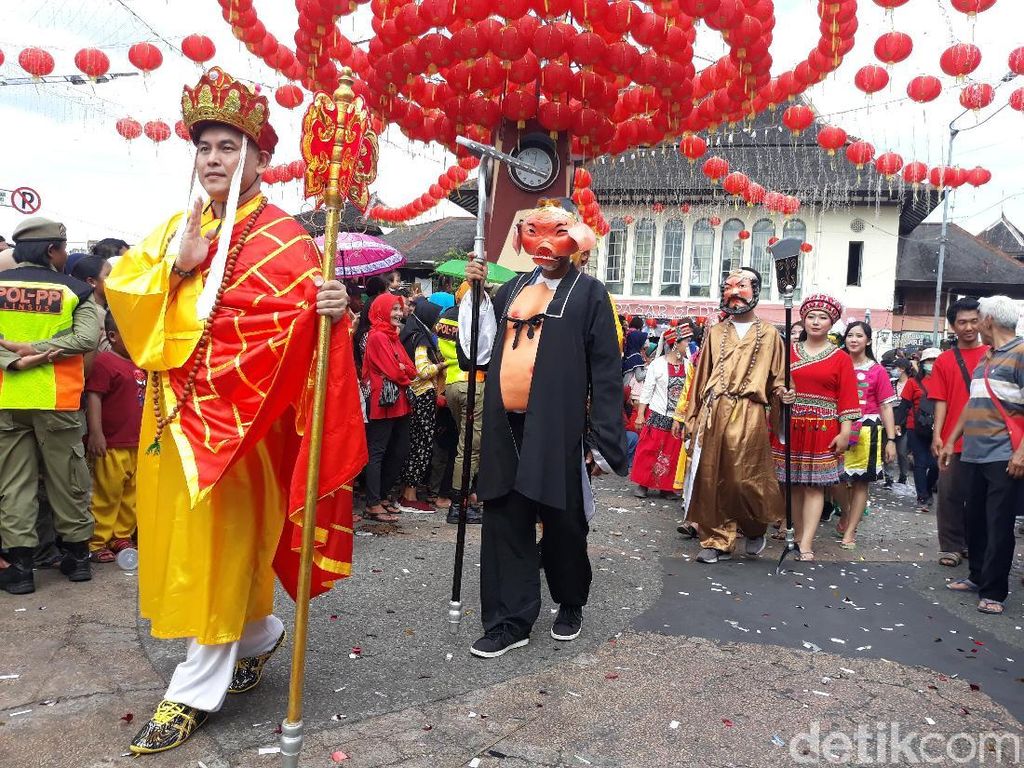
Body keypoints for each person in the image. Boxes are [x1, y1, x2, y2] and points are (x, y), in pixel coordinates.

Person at [104, 67, 365, 755]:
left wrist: (334, 315)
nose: (214, 160)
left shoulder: (287, 242)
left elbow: (297, 338)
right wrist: (178, 267)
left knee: (216, 553)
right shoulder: (177, 229)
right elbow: (126, 294)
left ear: (260, 158)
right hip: (171, 423)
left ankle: (195, 687)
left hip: (238, 433)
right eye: (206, 147)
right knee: (183, 550)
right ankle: (259, 634)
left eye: (229, 147)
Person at [463, 198, 627, 658]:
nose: (545, 244)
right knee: (504, 519)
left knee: (564, 522)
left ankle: (570, 599)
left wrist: (604, 440)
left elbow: (607, 373)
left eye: (556, 232)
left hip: (558, 430)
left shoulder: (591, 294)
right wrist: (475, 298)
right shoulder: (509, 288)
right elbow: (478, 352)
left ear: (574, 240)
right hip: (505, 426)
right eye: (535, 232)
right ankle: (508, 620)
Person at [0, 217, 102, 596]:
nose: (64, 254)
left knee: (14, 484)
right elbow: (87, 337)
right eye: (62, 247)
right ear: (50, 250)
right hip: (58, 399)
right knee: (68, 478)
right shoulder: (76, 289)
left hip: (7, 399)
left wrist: (16, 359)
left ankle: (21, 569)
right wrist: (42, 353)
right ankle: (76, 561)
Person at [676, 268, 787, 563]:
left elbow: (778, 379)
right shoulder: (714, 332)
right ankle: (716, 540)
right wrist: (692, 417)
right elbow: (701, 379)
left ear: (756, 291)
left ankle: (753, 527)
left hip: (749, 410)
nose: (734, 293)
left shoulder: (771, 334)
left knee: (744, 479)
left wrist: (783, 394)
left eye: (742, 287)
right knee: (711, 477)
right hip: (715, 409)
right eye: (728, 287)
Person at [940, 295, 1023, 616]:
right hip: (973, 452)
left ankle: (994, 591)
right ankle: (976, 575)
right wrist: (951, 441)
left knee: (999, 523)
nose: (974, 326)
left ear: (988, 321)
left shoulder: (1020, 353)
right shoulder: (987, 357)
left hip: (1003, 453)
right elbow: (974, 403)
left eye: (978, 319)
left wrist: (1021, 453)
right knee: (974, 517)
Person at [771, 294, 860, 562]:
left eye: (823, 317)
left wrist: (845, 432)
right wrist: (781, 394)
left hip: (823, 428)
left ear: (831, 323)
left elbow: (847, 398)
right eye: (811, 316)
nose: (816, 322)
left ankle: (807, 542)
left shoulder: (841, 358)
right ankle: (797, 536)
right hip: (792, 426)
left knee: (814, 487)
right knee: (793, 485)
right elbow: (775, 384)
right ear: (803, 319)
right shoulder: (788, 352)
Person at [929, 298, 989, 568]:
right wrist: (938, 435)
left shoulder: (993, 353)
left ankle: (975, 545)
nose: (969, 327)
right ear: (952, 326)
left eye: (974, 320)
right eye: (962, 322)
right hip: (954, 439)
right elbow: (940, 399)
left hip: (989, 439)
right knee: (950, 493)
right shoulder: (944, 360)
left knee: (983, 498)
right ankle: (951, 546)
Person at [85, 312, 145, 563]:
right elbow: (94, 397)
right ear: (113, 336)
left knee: (131, 494)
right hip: (111, 445)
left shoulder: (141, 364)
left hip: (136, 444)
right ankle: (97, 541)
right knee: (106, 495)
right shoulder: (104, 362)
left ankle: (121, 535)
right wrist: (96, 433)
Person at [835, 322, 898, 549]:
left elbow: (886, 406)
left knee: (861, 483)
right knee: (835, 479)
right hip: (837, 427)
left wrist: (891, 440)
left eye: (859, 336)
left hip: (866, 430)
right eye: (850, 335)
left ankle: (850, 531)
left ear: (868, 341)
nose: (853, 340)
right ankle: (847, 512)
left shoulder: (877, 370)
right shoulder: (836, 365)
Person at [362, 293, 415, 522]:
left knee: (399, 450)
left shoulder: (392, 336)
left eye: (399, 309)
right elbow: (398, 372)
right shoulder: (377, 337)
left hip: (398, 402)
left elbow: (411, 369)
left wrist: (401, 370)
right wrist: (402, 371)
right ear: (382, 311)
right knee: (378, 451)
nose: (397, 313)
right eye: (393, 309)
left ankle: (381, 497)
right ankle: (373, 503)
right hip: (383, 402)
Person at [436, 281, 485, 524]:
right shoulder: (473, 318)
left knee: (463, 443)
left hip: (452, 383)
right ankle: (460, 504)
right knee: (469, 448)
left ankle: (463, 498)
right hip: (472, 382)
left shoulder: (445, 317)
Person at [397, 298, 447, 513]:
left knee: (415, 442)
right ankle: (410, 494)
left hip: (413, 396)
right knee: (421, 445)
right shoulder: (421, 339)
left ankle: (407, 492)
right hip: (423, 395)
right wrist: (442, 365)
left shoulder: (410, 333)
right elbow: (422, 370)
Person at [630, 326, 692, 498]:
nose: (688, 344)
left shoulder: (688, 366)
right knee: (649, 450)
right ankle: (643, 484)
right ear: (675, 343)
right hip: (657, 414)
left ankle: (666, 487)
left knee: (672, 453)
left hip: (677, 418)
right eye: (686, 341)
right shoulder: (657, 365)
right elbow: (647, 391)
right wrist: (641, 415)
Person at [901, 347, 941, 511]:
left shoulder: (945, 382)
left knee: (936, 465)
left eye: (935, 361)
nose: (931, 364)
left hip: (938, 428)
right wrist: (897, 424)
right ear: (922, 363)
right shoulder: (913, 382)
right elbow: (904, 405)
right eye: (928, 361)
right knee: (921, 463)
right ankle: (922, 496)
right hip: (914, 427)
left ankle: (928, 489)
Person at [889, 358, 914, 485]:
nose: (893, 370)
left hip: (905, 422)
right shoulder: (891, 383)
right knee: (887, 448)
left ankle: (903, 476)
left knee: (902, 451)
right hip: (889, 420)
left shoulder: (912, 383)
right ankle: (888, 477)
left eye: (895, 367)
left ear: (902, 369)